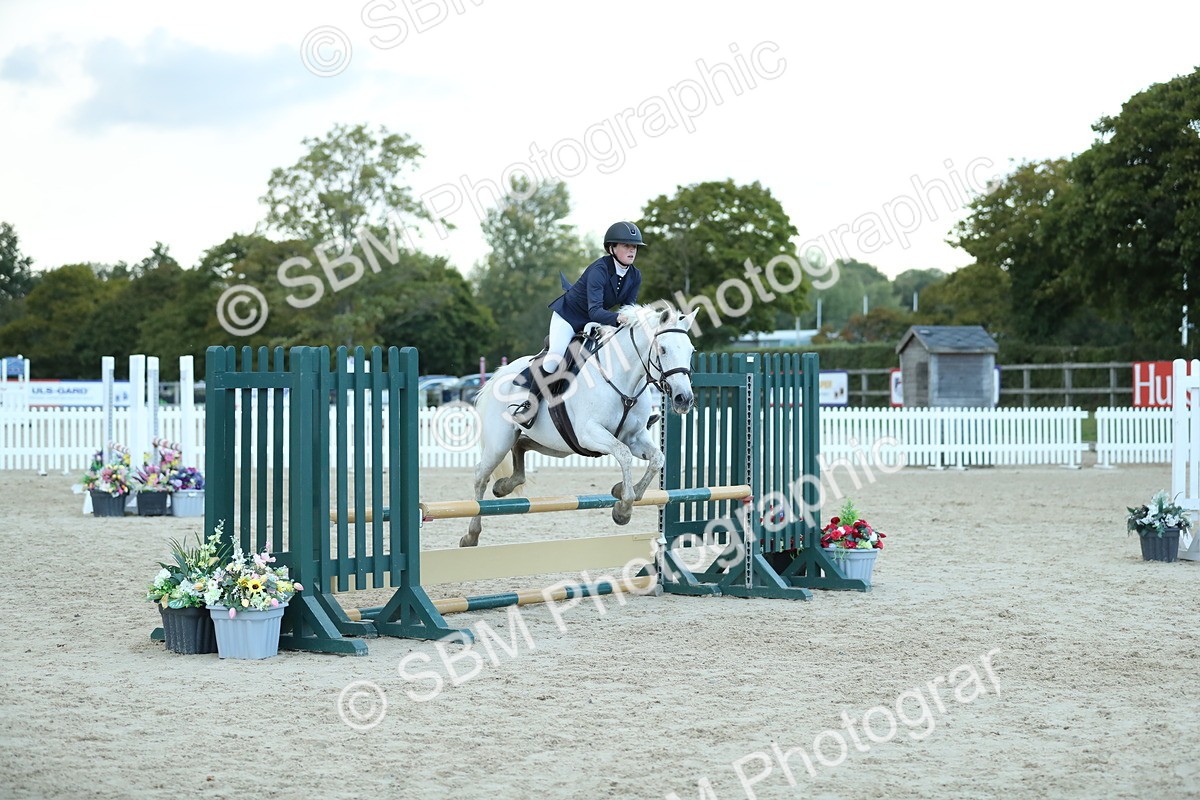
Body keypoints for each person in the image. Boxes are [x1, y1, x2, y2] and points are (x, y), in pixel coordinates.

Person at [508, 220, 647, 426]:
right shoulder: (600, 269)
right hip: (569, 317)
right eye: (626, 245)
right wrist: (618, 318)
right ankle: (530, 406)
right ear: (612, 248)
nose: (632, 250)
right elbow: (595, 310)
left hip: (596, 321)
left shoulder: (635, 275)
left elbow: (627, 309)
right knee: (555, 358)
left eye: (634, 246)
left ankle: (633, 417)